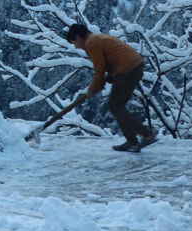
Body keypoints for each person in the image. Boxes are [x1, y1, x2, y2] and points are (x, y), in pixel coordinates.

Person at [65, 23, 158, 153]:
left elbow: (99, 69)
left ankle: (147, 134)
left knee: (115, 106)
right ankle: (132, 142)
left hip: (128, 70)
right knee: (117, 106)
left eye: (74, 42)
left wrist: (93, 89)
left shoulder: (91, 43)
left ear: (78, 37)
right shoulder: (97, 38)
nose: (75, 46)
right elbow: (110, 62)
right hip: (133, 67)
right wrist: (104, 81)